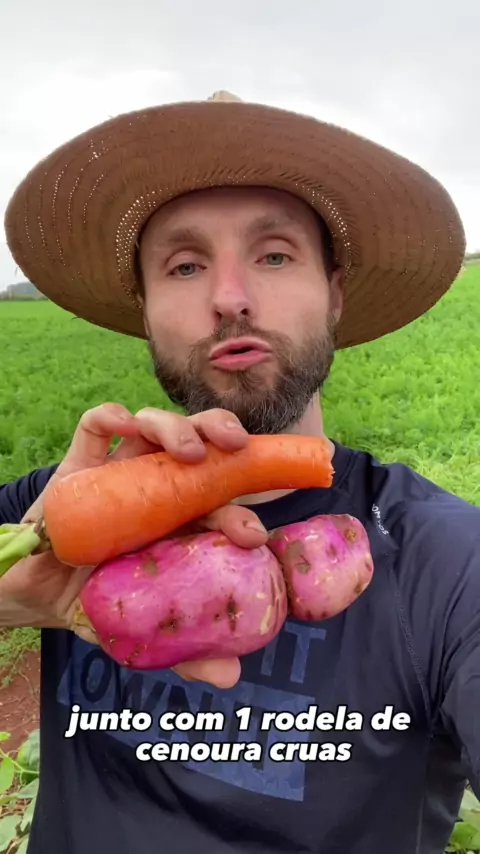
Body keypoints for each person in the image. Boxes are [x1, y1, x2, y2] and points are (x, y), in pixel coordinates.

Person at [0, 90, 477, 854]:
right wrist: (11, 601)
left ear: (335, 292)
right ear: (145, 309)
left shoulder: (445, 560)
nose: (229, 299)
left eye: (275, 254)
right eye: (185, 265)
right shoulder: (51, 513)